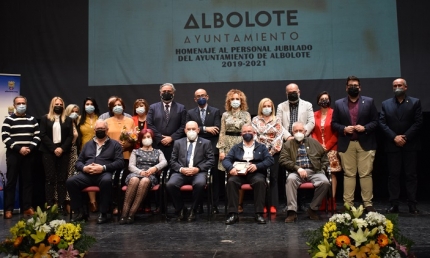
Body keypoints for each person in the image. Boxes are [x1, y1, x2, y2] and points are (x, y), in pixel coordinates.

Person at [332, 76, 378, 212]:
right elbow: (334, 123)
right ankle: (348, 204)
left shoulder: (369, 102)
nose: (353, 87)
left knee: (366, 174)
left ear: (360, 87)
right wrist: (343, 129)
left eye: (355, 85)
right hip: (347, 143)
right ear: (346, 88)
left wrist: (365, 128)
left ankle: (368, 204)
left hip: (366, 143)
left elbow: (376, 121)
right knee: (349, 175)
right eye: (350, 85)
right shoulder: (339, 103)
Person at [67, 120, 124, 224]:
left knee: (107, 181)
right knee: (71, 182)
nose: (100, 131)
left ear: (107, 130)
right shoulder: (88, 144)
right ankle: (81, 212)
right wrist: (84, 168)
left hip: (104, 173)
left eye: (102, 129)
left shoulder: (115, 144)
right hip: (87, 174)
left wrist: (103, 168)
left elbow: (120, 162)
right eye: (98, 129)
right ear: (94, 130)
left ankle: (103, 213)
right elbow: (78, 162)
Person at [379, 78, 422, 214]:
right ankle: (394, 204)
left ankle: (412, 204)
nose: (397, 87)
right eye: (395, 85)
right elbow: (382, 123)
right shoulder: (386, 104)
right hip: (392, 145)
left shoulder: (415, 102)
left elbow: (418, 122)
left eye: (400, 85)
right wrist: (394, 137)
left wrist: (405, 137)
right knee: (393, 176)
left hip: (410, 144)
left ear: (405, 87)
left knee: (411, 175)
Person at [223, 124, 274, 225]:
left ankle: (259, 213)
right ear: (241, 134)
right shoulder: (236, 147)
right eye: (245, 132)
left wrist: (258, 166)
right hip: (239, 173)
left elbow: (270, 160)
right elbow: (226, 160)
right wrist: (231, 168)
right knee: (231, 181)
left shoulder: (261, 147)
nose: (247, 134)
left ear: (254, 133)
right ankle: (233, 214)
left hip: (255, 173)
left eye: (249, 131)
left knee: (260, 182)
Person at [279, 122, 330, 223]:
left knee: (325, 182)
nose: (298, 133)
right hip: (296, 171)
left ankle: (312, 209)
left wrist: (322, 170)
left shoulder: (314, 142)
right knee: (290, 179)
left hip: (314, 171)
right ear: (292, 132)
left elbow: (325, 158)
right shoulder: (287, 144)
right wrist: (297, 168)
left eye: (300, 131)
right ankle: (292, 211)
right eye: (296, 131)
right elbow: (283, 160)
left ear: (305, 131)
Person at [166, 121, 215, 222]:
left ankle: (193, 209)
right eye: (189, 129)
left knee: (200, 184)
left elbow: (211, 160)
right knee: (170, 184)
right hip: (181, 172)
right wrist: (181, 169)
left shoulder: (206, 143)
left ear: (198, 130)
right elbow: (172, 161)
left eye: (193, 129)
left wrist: (198, 168)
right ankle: (180, 209)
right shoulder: (178, 142)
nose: (191, 131)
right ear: (185, 131)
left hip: (198, 172)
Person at [1, 96, 40, 219]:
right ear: (14, 105)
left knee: (28, 182)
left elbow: (37, 136)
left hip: (29, 154)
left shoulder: (32, 119)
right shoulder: (8, 120)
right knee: (11, 182)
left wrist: (29, 148)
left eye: (23, 103)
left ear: (26, 105)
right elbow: (5, 137)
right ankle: (8, 209)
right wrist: (19, 148)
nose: (21, 105)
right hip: (14, 154)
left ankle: (27, 207)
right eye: (19, 103)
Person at [120, 129, 167, 224]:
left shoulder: (158, 151)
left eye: (148, 137)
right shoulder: (135, 151)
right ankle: (124, 213)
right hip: (137, 173)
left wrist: (155, 168)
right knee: (134, 180)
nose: (146, 139)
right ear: (141, 139)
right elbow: (131, 166)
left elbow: (164, 162)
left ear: (152, 138)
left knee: (144, 181)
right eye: (144, 137)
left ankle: (131, 214)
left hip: (150, 175)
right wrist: (140, 172)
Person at [186, 88, 221, 214]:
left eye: (203, 95)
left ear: (207, 96)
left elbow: (216, 129)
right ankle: (198, 206)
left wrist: (201, 129)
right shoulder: (190, 113)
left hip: (212, 148)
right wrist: (206, 128)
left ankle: (214, 206)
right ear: (195, 99)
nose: (201, 97)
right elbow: (189, 129)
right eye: (198, 96)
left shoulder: (215, 111)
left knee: (214, 179)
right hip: (196, 147)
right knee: (198, 177)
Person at [216, 89, 251, 213]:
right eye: (232, 99)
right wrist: (221, 150)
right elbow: (222, 132)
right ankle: (232, 204)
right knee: (231, 176)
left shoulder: (246, 115)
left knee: (241, 174)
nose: (235, 101)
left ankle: (240, 204)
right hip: (228, 144)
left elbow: (249, 132)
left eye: (237, 99)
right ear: (229, 101)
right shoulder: (225, 115)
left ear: (241, 101)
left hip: (242, 144)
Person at [39, 96, 73, 212]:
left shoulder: (68, 120)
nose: (58, 106)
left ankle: (62, 205)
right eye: (56, 104)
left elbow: (70, 136)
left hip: (63, 152)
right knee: (50, 178)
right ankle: (49, 204)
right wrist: (54, 148)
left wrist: (61, 149)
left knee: (62, 179)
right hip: (48, 152)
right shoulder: (45, 118)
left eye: (60, 104)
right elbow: (43, 135)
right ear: (52, 105)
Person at [251, 98, 284, 214]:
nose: (267, 108)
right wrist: (267, 138)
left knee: (274, 178)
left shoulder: (277, 119)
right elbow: (254, 136)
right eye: (264, 106)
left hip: (274, 153)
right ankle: (263, 205)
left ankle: (273, 204)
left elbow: (279, 137)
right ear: (261, 107)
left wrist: (270, 152)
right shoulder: (255, 120)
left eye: (269, 106)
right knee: (261, 178)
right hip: (259, 154)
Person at [105, 97, 135, 214]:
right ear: (111, 108)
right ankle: (112, 205)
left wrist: (126, 144)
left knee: (123, 182)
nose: (118, 107)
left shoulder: (130, 121)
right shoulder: (107, 121)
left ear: (123, 107)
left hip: (126, 154)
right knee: (111, 182)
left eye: (120, 105)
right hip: (111, 156)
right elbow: (104, 138)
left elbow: (134, 138)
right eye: (115, 105)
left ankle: (122, 206)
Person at [147, 83, 187, 165]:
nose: (166, 93)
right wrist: (161, 138)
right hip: (158, 144)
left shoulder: (181, 108)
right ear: (160, 93)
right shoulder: (153, 107)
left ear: (173, 93)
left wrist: (172, 138)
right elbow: (149, 124)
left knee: (173, 167)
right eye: (164, 91)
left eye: (169, 91)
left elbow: (184, 125)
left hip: (175, 144)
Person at [311, 91, 340, 202]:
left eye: (326, 98)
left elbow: (337, 132)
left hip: (332, 148)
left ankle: (331, 199)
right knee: (320, 174)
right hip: (318, 150)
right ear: (318, 101)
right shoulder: (314, 114)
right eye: (322, 99)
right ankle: (322, 200)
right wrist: (318, 145)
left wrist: (327, 146)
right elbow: (312, 132)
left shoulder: (334, 113)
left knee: (332, 174)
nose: (324, 101)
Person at [78, 97, 101, 212]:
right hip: (84, 150)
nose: (89, 106)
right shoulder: (79, 119)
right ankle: (92, 202)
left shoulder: (100, 118)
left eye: (91, 104)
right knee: (88, 173)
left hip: (99, 150)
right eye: (87, 104)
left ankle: (98, 201)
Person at [64, 104, 81, 214]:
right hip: (65, 152)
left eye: (76, 111)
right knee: (63, 177)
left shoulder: (76, 123)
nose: (74, 114)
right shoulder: (65, 123)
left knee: (72, 177)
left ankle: (71, 202)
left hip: (74, 152)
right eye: (72, 112)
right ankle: (63, 203)